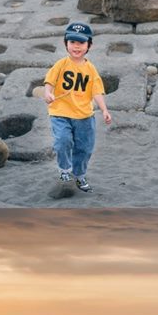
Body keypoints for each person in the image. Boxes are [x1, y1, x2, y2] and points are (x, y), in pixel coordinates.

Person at [43, 22, 112, 193]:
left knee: (84, 147)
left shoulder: (90, 69)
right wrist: (48, 93)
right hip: (60, 112)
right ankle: (65, 171)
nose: (76, 46)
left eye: (81, 42)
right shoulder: (61, 64)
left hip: (84, 115)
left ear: (89, 45)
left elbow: (96, 91)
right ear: (66, 43)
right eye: (72, 42)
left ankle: (79, 175)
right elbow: (49, 82)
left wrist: (104, 109)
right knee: (62, 141)